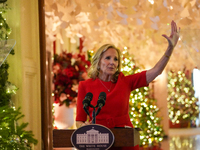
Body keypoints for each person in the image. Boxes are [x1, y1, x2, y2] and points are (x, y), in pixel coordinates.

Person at [75, 20, 180, 149]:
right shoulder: (85, 86)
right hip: (99, 141)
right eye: (107, 58)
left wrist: (170, 49)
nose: (112, 62)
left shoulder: (125, 81)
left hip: (125, 139)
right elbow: (79, 120)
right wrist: (84, 127)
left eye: (116, 59)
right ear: (98, 61)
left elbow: (156, 71)